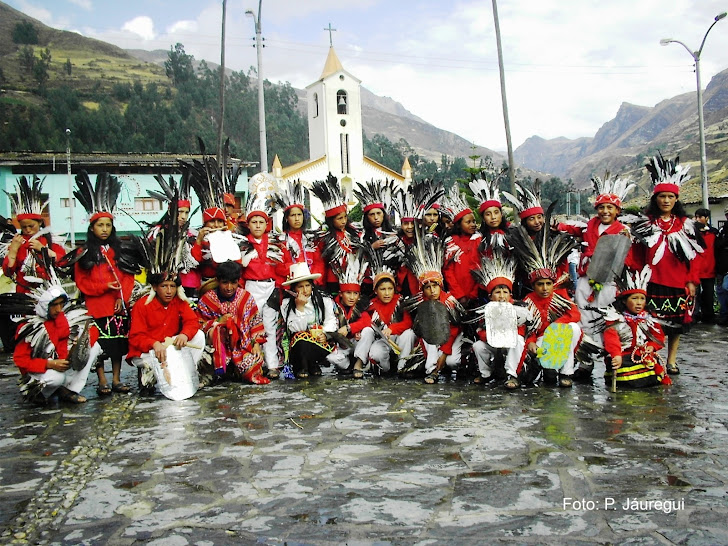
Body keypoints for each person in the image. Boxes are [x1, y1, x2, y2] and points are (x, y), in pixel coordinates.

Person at [632, 153, 704, 375]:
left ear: (676, 200)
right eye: (662, 196)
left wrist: (692, 280)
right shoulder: (645, 224)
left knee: (676, 326)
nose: (665, 201)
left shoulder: (686, 225)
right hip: (651, 282)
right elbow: (636, 254)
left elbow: (695, 257)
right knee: (651, 324)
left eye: (670, 197)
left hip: (678, 282)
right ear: (656, 199)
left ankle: (671, 360)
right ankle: (652, 358)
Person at [556, 173, 637, 349]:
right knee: (584, 313)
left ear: (617, 210)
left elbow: (629, 259)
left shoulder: (623, 230)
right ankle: (586, 357)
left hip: (610, 280)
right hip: (586, 276)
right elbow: (568, 228)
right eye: (601, 207)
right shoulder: (589, 226)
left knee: (608, 316)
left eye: (610, 207)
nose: (605, 211)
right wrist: (556, 225)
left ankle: (611, 355)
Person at [73, 171, 135, 396]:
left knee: (117, 344)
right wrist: (102, 288)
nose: (105, 229)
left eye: (108, 225)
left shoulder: (119, 251)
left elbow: (128, 276)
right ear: (92, 228)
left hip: (117, 306)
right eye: (100, 225)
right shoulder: (83, 254)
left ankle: (117, 379)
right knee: (98, 345)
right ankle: (102, 380)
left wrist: (121, 298)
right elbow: (81, 282)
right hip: (96, 306)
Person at [127, 255, 205, 394]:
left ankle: (183, 373)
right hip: (147, 351)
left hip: (171, 347)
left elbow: (192, 321)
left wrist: (184, 335)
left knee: (199, 336)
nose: (169, 291)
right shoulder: (142, 305)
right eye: (164, 286)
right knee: (146, 362)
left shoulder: (179, 301)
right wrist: (154, 343)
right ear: (155, 287)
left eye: (172, 286)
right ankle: (149, 374)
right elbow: (136, 336)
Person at [14, 282, 102, 404]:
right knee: (56, 378)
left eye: (61, 304)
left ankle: (69, 390)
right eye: (54, 305)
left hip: (63, 362)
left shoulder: (67, 318)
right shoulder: (30, 327)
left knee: (94, 347)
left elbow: (92, 329)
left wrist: (79, 342)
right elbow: (21, 360)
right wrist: (49, 364)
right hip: (42, 372)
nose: (58, 309)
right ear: (45, 306)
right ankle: (40, 393)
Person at [240, 196, 289, 379]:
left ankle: (273, 365)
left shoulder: (276, 244)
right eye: (254, 222)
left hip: (271, 287)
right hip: (251, 288)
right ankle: (252, 363)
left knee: (269, 326)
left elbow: (284, 266)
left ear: (267, 224)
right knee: (250, 326)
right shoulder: (243, 244)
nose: (258, 225)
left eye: (261, 222)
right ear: (249, 224)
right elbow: (238, 267)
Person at [197, 260, 269, 384]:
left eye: (233, 283)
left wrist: (256, 344)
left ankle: (234, 369)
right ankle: (221, 368)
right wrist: (219, 322)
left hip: (242, 348)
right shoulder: (207, 300)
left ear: (238, 281)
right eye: (225, 283)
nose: (229, 287)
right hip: (215, 350)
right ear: (218, 281)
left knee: (253, 368)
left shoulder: (246, 298)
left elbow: (255, 323)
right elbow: (199, 325)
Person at [603, 266, 671, 388]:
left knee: (650, 369)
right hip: (622, 355)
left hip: (641, 354)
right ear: (624, 301)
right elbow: (611, 340)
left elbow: (658, 337)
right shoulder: (615, 319)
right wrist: (616, 355)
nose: (639, 302)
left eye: (642, 299)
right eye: (634, 298)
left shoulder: (648, 318)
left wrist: (651, 346)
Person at [471, 255, 532, 389]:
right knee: (478, 346)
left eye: (505, 292)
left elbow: (521, 331)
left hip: (511, 343)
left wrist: (505, 338)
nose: (502, 295)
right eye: (498, 292)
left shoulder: (518, 309)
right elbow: (480, 331)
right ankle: (486, 373)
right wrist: (493, 338)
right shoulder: (486, 310)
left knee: (519, 340)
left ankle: (512, 374)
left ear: (510, 295)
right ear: (490, 296)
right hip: (492, 342)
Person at [350, 260, 416, 379]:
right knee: (376, 353)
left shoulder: (401, 302)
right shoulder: (370, 305)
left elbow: (408, 323)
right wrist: (358, 331)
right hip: (381, 339)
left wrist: (392, 329)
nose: (387, 293)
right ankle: (386, 369)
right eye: (382, 289)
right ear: (375, 291)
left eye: (390, 289)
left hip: (399, 338)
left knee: (409, 334)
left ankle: (402, 367)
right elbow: (365, 322)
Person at [3, 175, 66, 294]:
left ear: (40, 222)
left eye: (31, 226)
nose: (27, 230)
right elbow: (8, 272)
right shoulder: (17, 242)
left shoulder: (50, 240)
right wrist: (13, 251)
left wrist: (42, 249)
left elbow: (63, 262)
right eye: (23, 227)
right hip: (24, 292)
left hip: (49, 291)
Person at [280, 263, 338, 378]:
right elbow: (295, 328)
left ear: (312, 285)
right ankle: (303, 367)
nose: (305, 290)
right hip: (298, 347)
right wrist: (300, 307)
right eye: (300, 286)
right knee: (301, 337)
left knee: (311, 342)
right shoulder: (287, 304)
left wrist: (325, 334)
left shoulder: (324, 300)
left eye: (307, 285)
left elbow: (331, 320)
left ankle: (312, 364)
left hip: (318, 343)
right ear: (294, 288)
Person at [310, 175, 361, 293]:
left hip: (352, 277)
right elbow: (320, 261)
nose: (343, 221)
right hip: (333, 280)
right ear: (331, 220)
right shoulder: (324, 237)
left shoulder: (352, 233)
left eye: (345, 217)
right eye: (339, 218)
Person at [327, 249, 371, 374]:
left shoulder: (361, 304)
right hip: (340, 345)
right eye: (348, 293)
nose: (352, 297)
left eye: (355, 293)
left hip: (356, 342)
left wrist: (350, 328)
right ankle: (348, 365)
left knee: (367, 331)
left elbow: (367, 321)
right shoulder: (332, 305)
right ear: (340, 294)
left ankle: (358, 363)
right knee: (331, 358)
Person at [442, 186, 482, 308]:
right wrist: (459, 295)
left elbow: (482, 267)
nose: (473, 225)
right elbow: (448, 271)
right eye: (468, 222)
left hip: (476, 292)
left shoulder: (479, 240)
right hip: (456, 293)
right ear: (458, 225)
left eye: (474, 221)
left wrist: (474, 293)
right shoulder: (451, 243)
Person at [693, 208, 717, 324]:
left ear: (706, 218)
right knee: (694, 296)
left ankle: (708, 316)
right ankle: (694, 316)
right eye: (696, 217)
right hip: (695, 270)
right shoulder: (691, 233)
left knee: (708, 295)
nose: (698, 219)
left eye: (700, 217)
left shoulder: (714, 233)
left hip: (709, 269)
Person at [715, 204, 728, 326]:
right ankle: (724, 315)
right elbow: (717, 246)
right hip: (722, 267)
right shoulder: (722, 230)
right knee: (721, 292)